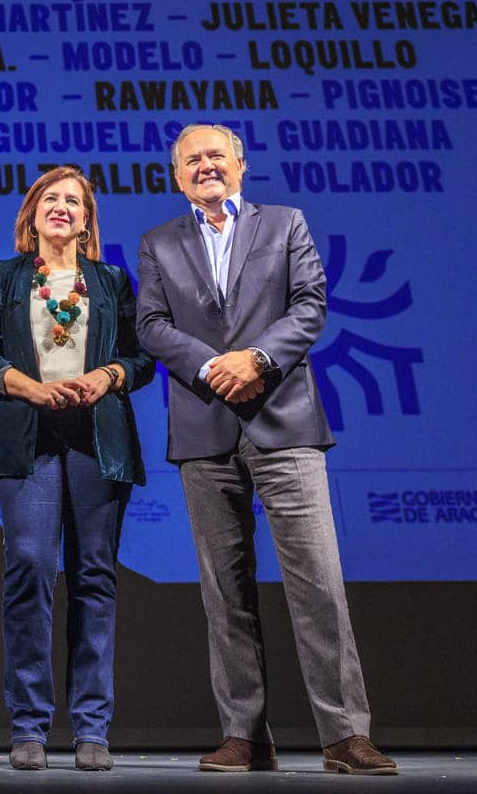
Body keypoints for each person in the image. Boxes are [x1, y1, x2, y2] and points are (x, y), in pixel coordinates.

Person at [135, 123, 397, 776]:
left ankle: (345, 735)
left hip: (286, 424)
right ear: (176, 175)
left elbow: (310, 305)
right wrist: (212, 366)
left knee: (318, 584)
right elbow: (151, 325)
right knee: (224, 593)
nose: (205, 166)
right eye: (191, 160)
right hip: (204, 430)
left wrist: (255, 359)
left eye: (215, 156)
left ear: (241, 165)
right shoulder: (159, 242)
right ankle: (245, 736)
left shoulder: (285, 224)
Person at [0, 164, 154, 772]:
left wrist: (108, 375)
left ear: (86, 219)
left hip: (99, 440)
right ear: (32, 213)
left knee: (94, 576)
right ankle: (29, 724)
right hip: (28, 438)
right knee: (30, 567)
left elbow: (141, 357)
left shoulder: (110, 280)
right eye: (51, 198)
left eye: (74, 201)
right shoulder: (6, 277)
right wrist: (30, 388)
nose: (62, 207)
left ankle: (92, 727)